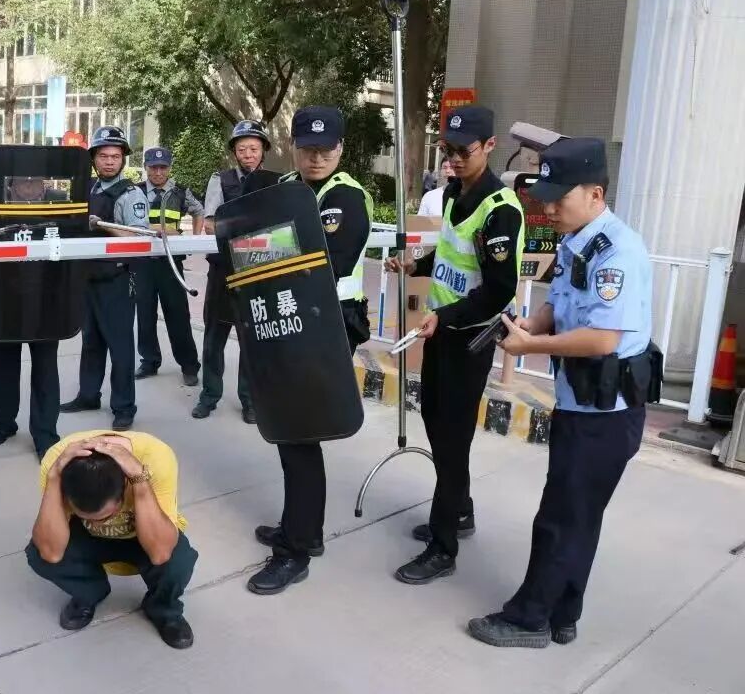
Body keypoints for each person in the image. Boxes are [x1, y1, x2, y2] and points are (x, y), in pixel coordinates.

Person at [469, 137, 655, 648]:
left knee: (560, 517)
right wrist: (534, 322)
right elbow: (562, 301)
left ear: (595, 194)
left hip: (604, 414)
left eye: (559, 198)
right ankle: (563, 612)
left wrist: (531, 344)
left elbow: (602, 339)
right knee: (579, 516)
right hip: (583, 403)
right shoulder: (577, 239)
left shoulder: (617, 252)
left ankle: (528, 619)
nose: (548, 209)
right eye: (545, 197)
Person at [385, 104, 524, 585]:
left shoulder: (500, 210)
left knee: (451, 439)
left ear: (490, 146)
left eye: (465, 151)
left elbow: (499, 289)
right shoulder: (452, 193)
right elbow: (450, 254)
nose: (455, 160)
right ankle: (459, 509)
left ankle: (443, 547)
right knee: (434, 421)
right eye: (448, 151)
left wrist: (444, 316)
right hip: (441, 331)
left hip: (468, 338)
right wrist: (415, 265)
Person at [248, 106, 372, 594]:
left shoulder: (346, 197)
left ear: (340, 149)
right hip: (288, 318)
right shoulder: (286, 189)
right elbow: (254, 246)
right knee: (290, 430)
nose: (316, 158)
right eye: (307, 149)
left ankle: (295, 550)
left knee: (300, 432)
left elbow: (325, 262)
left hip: (329, 325)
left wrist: (275, 248)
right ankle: (302, 527)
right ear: (293, 148)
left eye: (325, 150)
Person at [26, 430, 197, 649]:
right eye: (86, 516)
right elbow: (51, 552)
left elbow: (160, 553)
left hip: (142, 534)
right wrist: (53, 479)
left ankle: (164, 610)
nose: (99, 524)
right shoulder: (56, 460)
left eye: (105, 517)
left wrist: (140, 480)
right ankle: (89, 593)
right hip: (86, 537)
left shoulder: (156, 457)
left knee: (177, 560)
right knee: (39, 554)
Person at [59, 126, 149, 432]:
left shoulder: (131, 194)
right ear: (94, 159)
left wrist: (102, 224)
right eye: (103, 156)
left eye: (115, 156)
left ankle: (123, 407)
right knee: (91, 341)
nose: (109, 162)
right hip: (88, 277)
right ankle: (88, 395)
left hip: (117, 279)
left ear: (122, 159)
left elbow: (138, 238)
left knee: (120, 347)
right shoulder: (89, 188)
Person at [193, 120, 280, 423]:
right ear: (234, 152)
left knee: (252, 339)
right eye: (242, 149)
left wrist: (242, 235)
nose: (248, 155)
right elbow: (210, 224)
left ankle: (250, 400)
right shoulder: (221, 180)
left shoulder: (275, 182)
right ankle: (209, 395)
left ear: (263, 151)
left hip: (257, 272)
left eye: (254, 149)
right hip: (223, 270)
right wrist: (251, 235)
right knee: (214, 337)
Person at [0, 181, 65, 459]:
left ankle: (45, 435)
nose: (29, 187)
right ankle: (4, 423)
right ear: (12, 186)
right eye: (23, 182)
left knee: (45, 367)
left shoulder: (59, 205)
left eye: (34, 182)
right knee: (3, 364)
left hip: (46, 300)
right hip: (6, 298)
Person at [132, 146, 202, 385]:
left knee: (178, 314)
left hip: (171, 263)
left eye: (163, 167)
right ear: (146, 167)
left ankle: (189, 365)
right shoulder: (136, 192)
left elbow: (199, 211)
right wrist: (156, 230)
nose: (158, 172)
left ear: (169, 168)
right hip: (143, 263)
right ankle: (149, 361)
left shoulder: (180, 192)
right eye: (153, 167)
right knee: (145, 315)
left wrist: (194, 240)